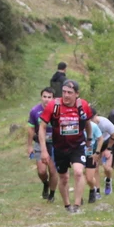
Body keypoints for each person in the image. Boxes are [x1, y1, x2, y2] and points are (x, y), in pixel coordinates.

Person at [41, 79, 92, 213]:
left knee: (78, 172)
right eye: (64, 92)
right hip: (59, 147)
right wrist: (44, 150)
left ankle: (77, 205)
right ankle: (67, 205)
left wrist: (89, 139)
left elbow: (87, 123)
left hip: (77, 145)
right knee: (63, 178)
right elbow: (42, 127)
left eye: (69, 92)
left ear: (77, 94)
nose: (66, 95)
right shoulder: (53, 105)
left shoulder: (83, 105)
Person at [28, 88, 59, 202]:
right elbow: (31, 129)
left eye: (49, 97)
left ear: (53, 98)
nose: (46, 99)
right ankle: (46, 183)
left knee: (53, 170)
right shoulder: (34, 111)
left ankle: (52, 194)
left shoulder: (58, 110)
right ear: (41, 97)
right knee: (41, 171)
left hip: (55, 143)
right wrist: (29, 145)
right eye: (44, 97)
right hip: (40, 143)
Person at [92, 109, 114, 195]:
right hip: (95, 145)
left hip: (106, 143)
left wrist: (108, 149)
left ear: (96, 115)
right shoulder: (88, 124)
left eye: (92, 118)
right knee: (95, 168)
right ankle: (97, 191)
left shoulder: (105, 122)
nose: (91, 121)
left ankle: (108, 180)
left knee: (107, 168)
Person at [84, 115, 103, 203]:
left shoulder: (94, 126)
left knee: (89, 178)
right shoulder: (76, 125)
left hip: (90, 153)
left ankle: (93, 189)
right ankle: (79, 199)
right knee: (78, 174)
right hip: (78, 153)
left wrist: (97, 152)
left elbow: (100, 139)